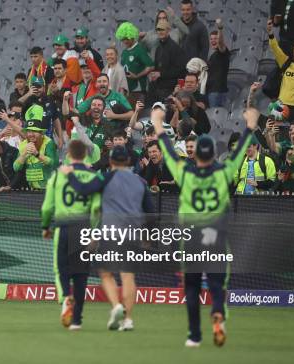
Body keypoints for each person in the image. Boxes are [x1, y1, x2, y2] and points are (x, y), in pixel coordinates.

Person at [154, 107, 259, 347]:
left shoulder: (184, 173)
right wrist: (250, 125)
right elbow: (240, 149)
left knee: (191, 287)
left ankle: (194, 335)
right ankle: (218, 313)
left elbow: (169, 152)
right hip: (216, 235)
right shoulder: (224, 172)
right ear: (213, 154)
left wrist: (158, 125)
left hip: (192, 237)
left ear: (196, 155)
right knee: (216, 283)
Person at [61, 144, 155, 331]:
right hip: (133, 233)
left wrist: (69, 174)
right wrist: (149, 237)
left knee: (105, 273)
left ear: (110, 161)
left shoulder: (105, 177)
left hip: (111, 232)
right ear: (129, 161)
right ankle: (128, 320)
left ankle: (116, 306)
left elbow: (83, 189)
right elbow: (151, 212)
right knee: (128, 277)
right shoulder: (140, 182)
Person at [41, 140, 100, 330]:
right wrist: (95, 233)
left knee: (61, 269)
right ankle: (77, 320)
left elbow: (47, 207)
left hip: (63, 226)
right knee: (81, 274)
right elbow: (98, 209)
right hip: (84, 228)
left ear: (68, 155)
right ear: (85, 155)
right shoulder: (94, 176)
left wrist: (45, 226)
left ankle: (66, 297)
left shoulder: (58, 175)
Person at [13, 105, 58, 190]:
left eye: (34, 131)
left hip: (49, 189)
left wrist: (37, 154)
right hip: (32, 190)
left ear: (41, 133)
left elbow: (53, 164)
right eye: (28, 131)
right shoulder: (23, 144)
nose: (30, 134)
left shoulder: (48, 143)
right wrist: (24, 154)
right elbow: (16, 167)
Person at [147, 19, 187, 105]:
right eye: (158, 29)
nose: (160, 32)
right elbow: (158, 69)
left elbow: (181, 70)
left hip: (170, 90)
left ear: (168, 30)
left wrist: (161, 74)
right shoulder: (158, 48)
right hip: (158, 89)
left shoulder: (175, 48)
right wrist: (154, 74)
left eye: (162, 29)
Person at [115, 22, 154, 102]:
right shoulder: (124, 52)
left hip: (138, 89)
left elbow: (150, 66)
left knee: (134, 112)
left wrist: (137, 76)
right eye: (123, 39)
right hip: (127, 90)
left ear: (132, 36)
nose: (125, 41)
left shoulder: (139, 49)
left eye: (127, 38)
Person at [206, 19, 230, 108]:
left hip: (218, 92)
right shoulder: (213, 56)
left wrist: (220, 28)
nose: (213, 41)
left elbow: (221, 43)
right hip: (212, 91)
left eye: (215, 38)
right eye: (211, 39)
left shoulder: (222, 52)